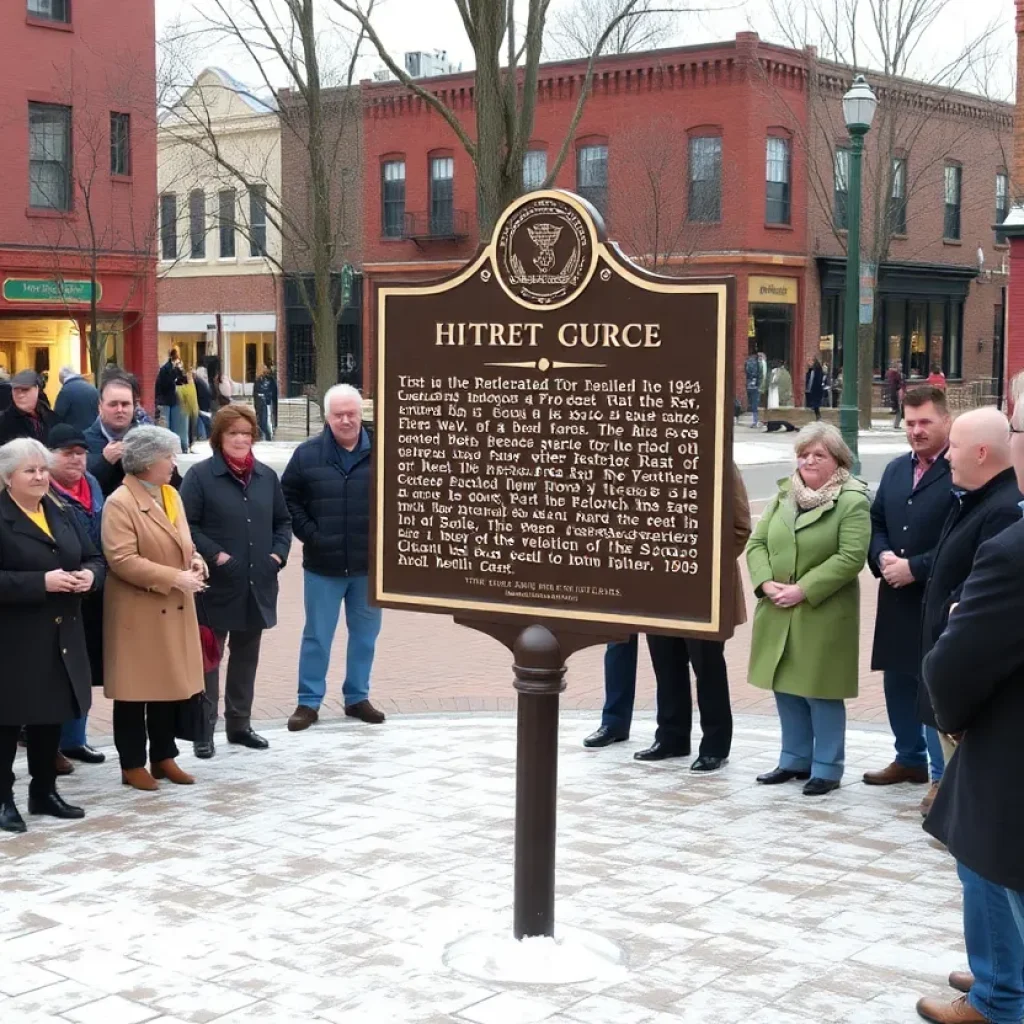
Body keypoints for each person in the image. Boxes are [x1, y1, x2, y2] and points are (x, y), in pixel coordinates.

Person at [916, 381, 1024, 1024]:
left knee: (986, 855)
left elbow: (962, 661)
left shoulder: (1011, 534)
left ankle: (1001, 991)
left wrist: (948, 716)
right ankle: (999, 974)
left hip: (998, 742)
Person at [746, 423, 870, 795]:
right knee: (786, 685)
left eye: (820, 455)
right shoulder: (785, 495)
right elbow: (757, 543)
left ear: (837, 460)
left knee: (821, 690)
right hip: (778, 606)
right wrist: (765, 582)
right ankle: (794, 759)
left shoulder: (852, 499)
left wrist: (803, 590)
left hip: (823, 611)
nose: (809, 460)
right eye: (804, 453)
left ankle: (827, 768)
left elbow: (851, 557)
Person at [0, 438, 104, 833]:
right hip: (14, 638)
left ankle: (43, 791)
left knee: (51, 717)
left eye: (43, 469)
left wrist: (90, 576)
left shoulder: (59, 510)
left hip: (61, 633)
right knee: (7, 722)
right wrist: (40, 582)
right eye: (30, 470)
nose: (40, 476)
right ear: (9, 478)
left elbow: (94, 555)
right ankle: (3, 798)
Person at [181, 405, 292, 758]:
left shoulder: (265, 477)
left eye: (247, 432)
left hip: (257, 581)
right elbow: (188, 527)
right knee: (208, 660)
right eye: (234, 433)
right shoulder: (200, 476)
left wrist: (277, 555)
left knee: (246, 657)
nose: (241, 439)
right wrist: (218, 556)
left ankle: (239, 725)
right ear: (219, 437)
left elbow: (283, 522)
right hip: (217, 585)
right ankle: (204, 730)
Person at [863, 387, 952, 815]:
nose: (915, 431)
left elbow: (965, 537)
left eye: (925, 423)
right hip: (895, 596)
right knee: (897, 679)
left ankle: (941, 777)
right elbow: (877, 519)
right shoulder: (898, 469)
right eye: (910, 422)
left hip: (936, 597)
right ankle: (909, 759)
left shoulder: (959, 470)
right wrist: (880, 557)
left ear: (946, 421)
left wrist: (916, 566)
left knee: (931, 685)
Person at [102, 426, 206, 791]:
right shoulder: (120, 502)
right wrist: (174, 578)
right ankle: (132, 763)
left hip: (173, 607)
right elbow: (122, 560)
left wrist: (196, 562)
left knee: (168, 687)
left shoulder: (171, 494)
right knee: (135, 693)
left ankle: (164, 757)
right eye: (168, 457)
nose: (173, 463)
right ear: (147, 461)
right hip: (138, 612)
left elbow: (183, 542)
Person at [631, 465, 751, 772]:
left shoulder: (720, 460)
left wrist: (702, 565)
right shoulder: (650, 463)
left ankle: (715, 745)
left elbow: (740, 528)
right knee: (665, 662)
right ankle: (671, 736)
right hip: (658, 583)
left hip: (703, 586)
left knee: (707, 666)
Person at [282, 384, 383, 731]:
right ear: (327, 417)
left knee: (365, 637)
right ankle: (308, 702)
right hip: (323, 566)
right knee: (317, 636)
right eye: (338, 414)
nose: (346, 419)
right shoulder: (307, 454)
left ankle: (357, 697)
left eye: (351, 413)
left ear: (361, 413)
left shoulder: (384, 450)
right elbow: (288, 499)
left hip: (368, 567)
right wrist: (312, 534)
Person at [47, 425, 107, 769]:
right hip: (58, 590)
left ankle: (74, 740)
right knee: (56, 672)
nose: (76, 459)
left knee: (82, 669)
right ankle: (50, 745)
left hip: (94, 586)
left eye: (81, 453)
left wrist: (96, 573)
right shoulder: (44, 491)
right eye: (67, 453)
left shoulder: (93, 484)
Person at [84, 376, 139, 497]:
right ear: (100, 407)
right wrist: (104, 462)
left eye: (125, 404)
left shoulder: (146, 441)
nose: (120, 410)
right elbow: (79, 489)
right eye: (113, 404)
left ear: (133, 407)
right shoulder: (82, 443)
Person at [0, 370, 56, 446]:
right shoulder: (4, 421)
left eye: (25, 389)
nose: (20, 395)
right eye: (16, 390)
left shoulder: (48, 415)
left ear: (37, 389)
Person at [155, 348, 187, 449]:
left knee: (175, 424)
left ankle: (178, 446)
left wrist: (180, 373)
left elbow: (183, 380)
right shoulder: (166, 369)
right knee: (167, 425)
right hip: (166, 400)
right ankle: (167, 447)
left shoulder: (175, 369)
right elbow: (166, 384)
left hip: (173, 400)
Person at [53, 366, 100, 432]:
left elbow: (57, 417)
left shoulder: (65, 391)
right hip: (94, 433)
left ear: (62, 379)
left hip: (76, 437)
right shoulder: (92, 388)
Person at [253, 363, 278, 442]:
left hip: (267, 403)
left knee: (267, 420)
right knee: (262, 419)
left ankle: (268, 435)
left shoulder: (270, 380)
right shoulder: (258, 380)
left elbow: (274, 393)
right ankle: (265, 435)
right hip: (261, 404)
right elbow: (255, 393)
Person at [744, 350, 763, 428]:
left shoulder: (747, 362)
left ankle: (755, 421)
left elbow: (746, 371)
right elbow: (760, 374)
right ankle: (756, 421)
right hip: (755, 386)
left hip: (749, 385)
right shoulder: (758, 363)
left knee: (752, 404)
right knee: (755, 404)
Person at [193, 366, 213, 440]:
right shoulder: (204, 382)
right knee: (206, 422)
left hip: (202, 406)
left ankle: (205, 436)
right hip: (206, 406)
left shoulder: (198, 382)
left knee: (203, 422)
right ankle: (207, 435)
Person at [886, 360, 905, 430]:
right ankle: (896, 424)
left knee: (899, 410)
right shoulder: (895, 375)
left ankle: (896, 424)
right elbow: (896, 385)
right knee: (899, 410)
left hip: (897, 393)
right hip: (897, 394)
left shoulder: (896, 374)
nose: (901, 368)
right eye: (900, 367)